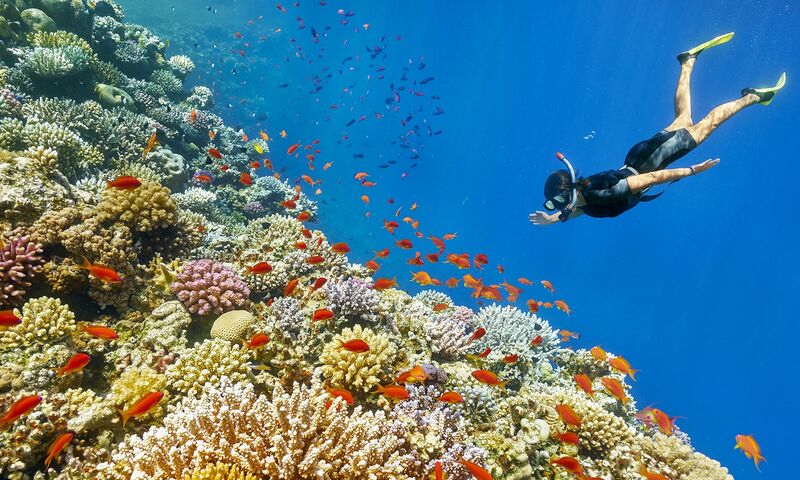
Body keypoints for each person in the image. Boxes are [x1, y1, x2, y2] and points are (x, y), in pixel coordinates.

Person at [530, 32, 786, 225]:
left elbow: (651, 178)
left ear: (569, 192)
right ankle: (688, 61)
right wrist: (552, 219)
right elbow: (579, 209)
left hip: (652, 160)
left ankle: (752, 97)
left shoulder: (604, 193)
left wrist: (692, 170)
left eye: (557, 201)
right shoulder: (587, 198)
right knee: (684, 118)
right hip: (641, 156)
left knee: (707, 126)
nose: (558, 206)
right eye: (553, 204)